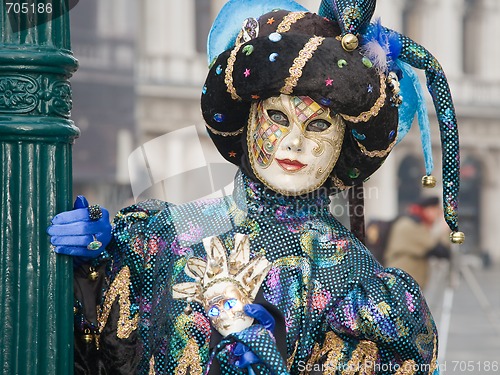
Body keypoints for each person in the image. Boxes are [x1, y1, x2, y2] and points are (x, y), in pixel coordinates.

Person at [47, 1, 465, 374]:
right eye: (278, 118)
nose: (295, 142)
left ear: (343, 147)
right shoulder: (158, 237)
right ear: (248, 123)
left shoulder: (356, 283)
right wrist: (91, 268)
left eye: (318, 126)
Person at [384, 197, 451, 290]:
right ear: (428, 210)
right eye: (437, 212)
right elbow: (441, 251)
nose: (438, 216)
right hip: (404, 280)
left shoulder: (410, 223)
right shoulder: (413, 226)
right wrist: (445, 229)